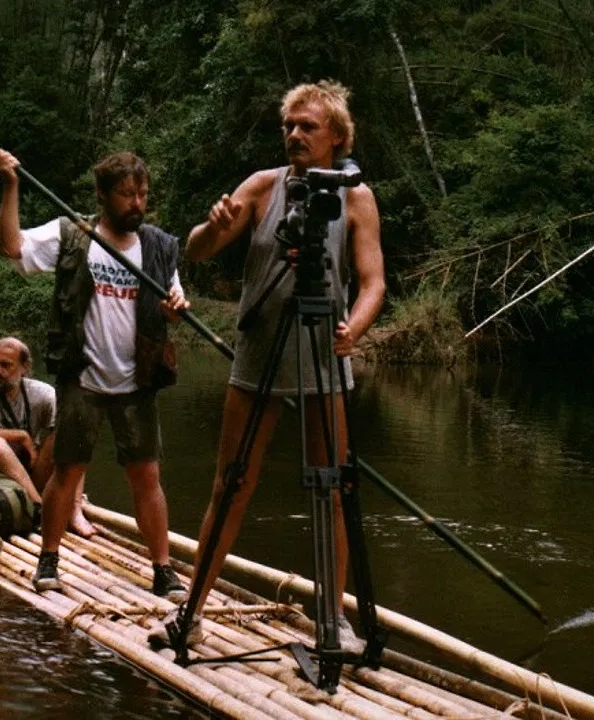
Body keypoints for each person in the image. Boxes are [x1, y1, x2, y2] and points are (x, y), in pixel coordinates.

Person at [169, 80, 386, 644]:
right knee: (230, 484)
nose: (294, 135)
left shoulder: (356, 197)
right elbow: (194, 251)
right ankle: (191, 611)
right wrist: (212, 228)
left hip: (321, 353)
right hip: (259, 353)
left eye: (307, 126)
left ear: (337, 136)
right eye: (288, 126)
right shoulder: (263, 188)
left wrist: (353, 329)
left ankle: (333, 618)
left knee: (333, 488)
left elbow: (373, 282)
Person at [0, 148, 191, 600]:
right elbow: (11, 248)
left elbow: (176, 308)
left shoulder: (158, 246)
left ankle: (163, 570)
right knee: (67, 470)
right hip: (82, 377)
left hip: (137, 382)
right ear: (102, 195)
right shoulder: (72, 234)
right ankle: (49, 559)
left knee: (147, 477)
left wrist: (175, 308)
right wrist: (11, 185)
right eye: (126, 194)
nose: (136, 203)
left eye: (142, 194)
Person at [0, 337, 98, 536]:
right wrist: (22, 436)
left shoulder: (43, 394)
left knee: (72, 434)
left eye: (6, 365)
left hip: (31, 474)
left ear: (25, 367)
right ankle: (40, 509)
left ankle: (74, 512)